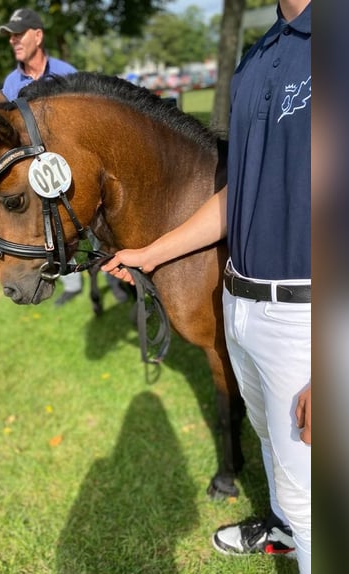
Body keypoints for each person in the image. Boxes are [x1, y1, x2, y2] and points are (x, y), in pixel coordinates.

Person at [102, 1, 311, 572]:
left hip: (305, 312)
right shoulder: (256, 57)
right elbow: (237, 193)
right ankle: (284, 529)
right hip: (242, 302)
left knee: (313, 491)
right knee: (272, 447)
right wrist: (149, 253)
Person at [0, 8, 128, 307]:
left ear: (38, 35)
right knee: (51, 233)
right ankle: (70, 283)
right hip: (36, 177)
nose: (13, 41)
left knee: (97, 227)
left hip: (74, 170)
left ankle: (111, 278)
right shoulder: (11, 83)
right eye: (11, 36)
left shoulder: (66, 73)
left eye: (18, 34)